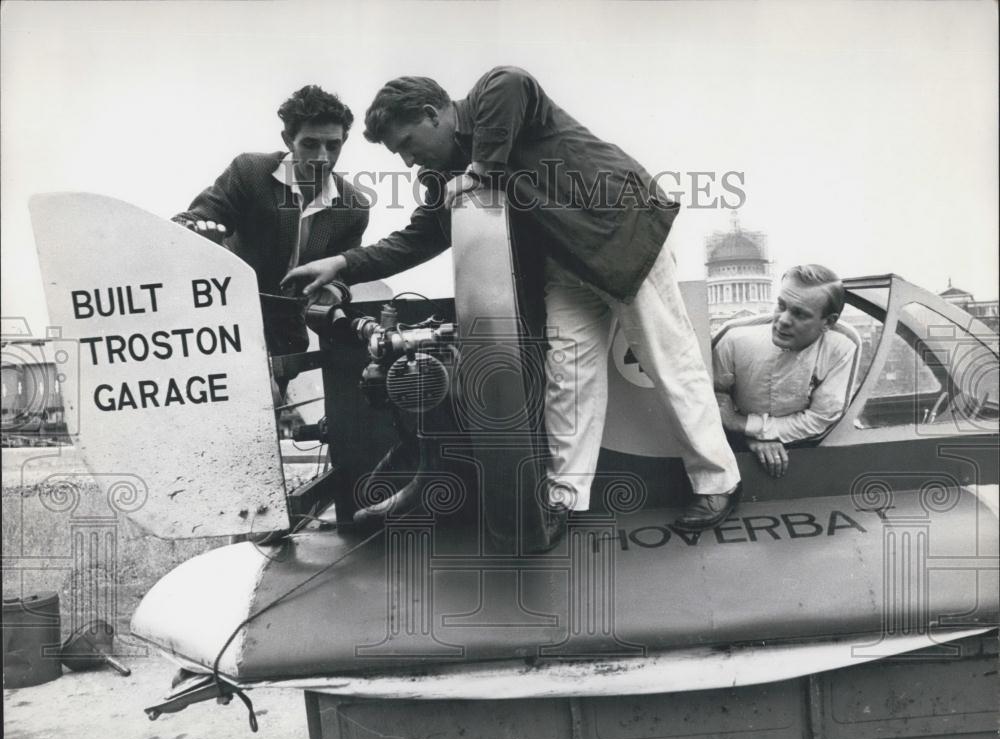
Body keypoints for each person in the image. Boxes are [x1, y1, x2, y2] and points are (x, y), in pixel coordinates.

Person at [282, 66, 741, 542]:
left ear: (432, 114)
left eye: (406, 142)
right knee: (568, 376)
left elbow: (512, 80)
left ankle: (718, 481)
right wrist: (343, 263)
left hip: (621, 237)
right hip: (566, 266)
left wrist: (481, 170)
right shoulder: (443, 177)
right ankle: (566, 497)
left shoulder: (489, 99)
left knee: (669, 360)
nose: (406, 160)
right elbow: (419, 237)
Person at [173, 85, 369, 395]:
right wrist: (202, 235)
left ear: (344, 140)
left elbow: (344, 272)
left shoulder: (354, 206)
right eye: (310, 144)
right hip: (224, 322)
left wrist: (333, 290)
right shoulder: (250, 171)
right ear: (288, 140)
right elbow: (190, 220)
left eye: (333, 145)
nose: (322, 157)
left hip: (286, 336)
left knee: (271, 410)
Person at [714, 265, 856, 478]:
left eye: (800, 314)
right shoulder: (733, 337)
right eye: (781, 305)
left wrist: (745, 425)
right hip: (734, 451)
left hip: (808, 452)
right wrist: (749, 438)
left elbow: (820, 419)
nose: (782, 320)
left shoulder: (843, 346)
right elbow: (711, 400)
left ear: (828, 322)